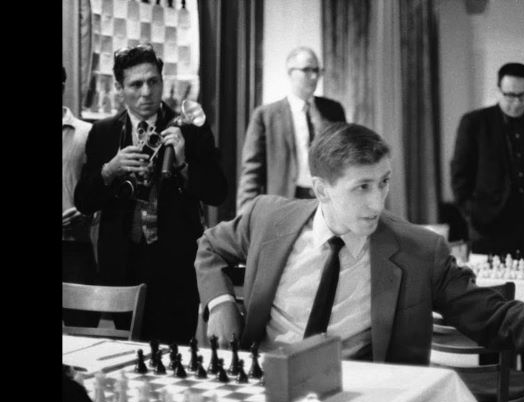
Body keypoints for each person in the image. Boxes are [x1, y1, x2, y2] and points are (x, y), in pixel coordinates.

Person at [195, 122, 524, 370]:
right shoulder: (268, 216)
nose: (377, 202)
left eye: (383, 182)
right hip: (262, 377)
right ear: (322, 190)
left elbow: (492, 314)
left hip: (357, 391)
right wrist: (220, 304)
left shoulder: (419, 249)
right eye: (361, 187)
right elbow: (209, 248)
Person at [75, 44, 227, 344]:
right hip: (122, 270)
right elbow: (84, 201)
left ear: (161, 80)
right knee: (127, 357)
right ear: (119, 88)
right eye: (136, 85)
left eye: (153, 81)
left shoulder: (191, 128)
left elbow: (217, 192)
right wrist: (109, 170)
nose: (146, 92)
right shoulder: (103, 133)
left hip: (177, 268)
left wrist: (183, 163)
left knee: (173, 356)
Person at [450, 62, 524, 262]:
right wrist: (473, 214)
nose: (517, 102)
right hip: (487, 227)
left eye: (523, 96)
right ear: (498, 91)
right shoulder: (474, 122)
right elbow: (460, 176)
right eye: (510, 95)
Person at [237, 46, 346, 213]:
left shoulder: (333, 110)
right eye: (307, 70)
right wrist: (245, 214)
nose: (314, 76)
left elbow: (345, 159)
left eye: (317, 70)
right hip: (285, 204)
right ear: (290, 72)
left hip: (326, 203)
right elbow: (252, 171)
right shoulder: (266, 116)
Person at [63, 66, 99, 327]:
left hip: (76, 247)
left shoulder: (87, 133)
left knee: (82, 328)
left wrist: (89, 211)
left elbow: (102, 190)